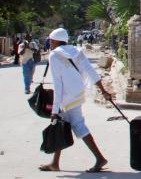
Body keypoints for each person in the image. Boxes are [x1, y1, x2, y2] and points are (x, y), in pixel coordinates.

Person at [39, 28, 113, 173]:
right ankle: (55, 163)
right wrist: (103, 90)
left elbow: (58, 84)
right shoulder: (76, 51)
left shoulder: (54, 55)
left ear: (55, 40)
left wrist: (54, 110)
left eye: (51, 41)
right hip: (78, 94)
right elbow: (91, 71)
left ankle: (99, 158)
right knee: (61, 125)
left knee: (75, 126)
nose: (50, 44)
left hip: (66, 98)